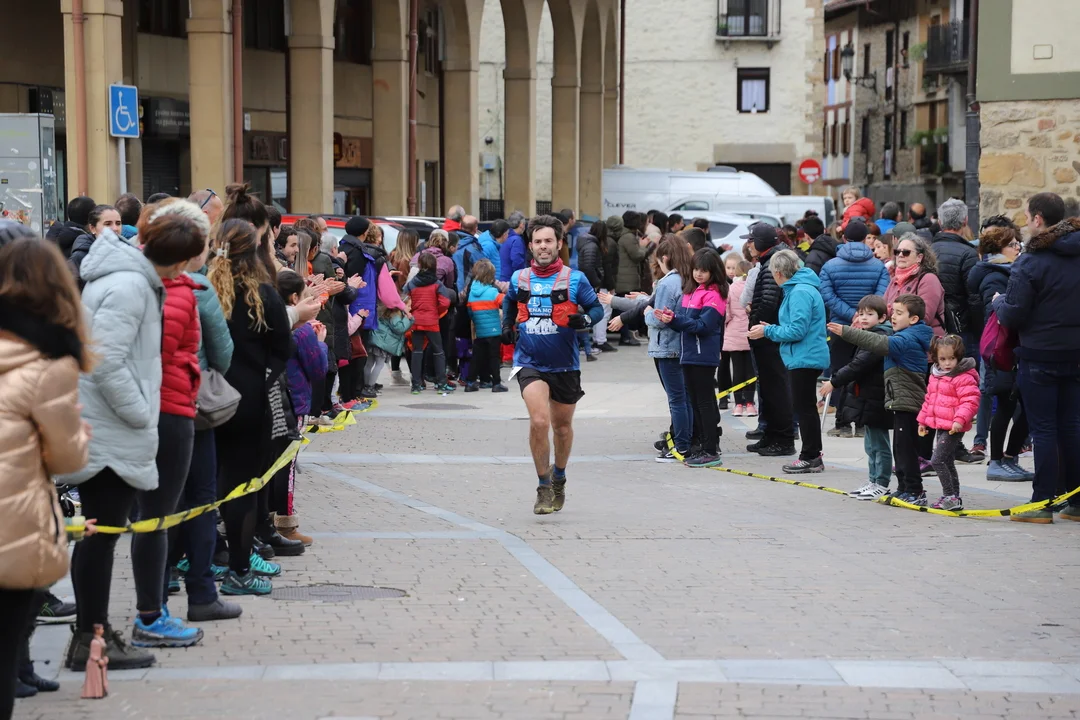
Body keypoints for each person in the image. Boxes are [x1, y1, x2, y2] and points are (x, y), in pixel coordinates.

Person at [61, 217, 170, 670]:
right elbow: (104, 360)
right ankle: (92, 639)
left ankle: (90, 636)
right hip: (110, 429)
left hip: (104, 426)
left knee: (98, 536)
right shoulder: (129, 285)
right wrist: (140, 411)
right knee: (100, 536)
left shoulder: (125, 279)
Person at [0, 231, 93, 717]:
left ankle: (22, 670)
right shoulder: (47, 363)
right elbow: (67, 460)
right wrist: (80, 436)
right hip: (13, 521)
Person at [124, 204, 209, 649]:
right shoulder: (170, 293)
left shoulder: (167, 287)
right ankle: (150, 615)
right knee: (155, 518)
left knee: (151, 518)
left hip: (165, 407)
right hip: (166, 410)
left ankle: (152, 609)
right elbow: (152, 358)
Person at [208, 217, 292, 594]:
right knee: (243, 487)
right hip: (251, 401)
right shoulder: (263, 294)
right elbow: (283, 347)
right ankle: (240, 570)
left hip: (208, 399)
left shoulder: (206, 290)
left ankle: (202, 559)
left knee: (209, 485)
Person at [501, 215, 604, 514]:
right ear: (530, 246)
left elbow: (596, 308)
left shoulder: (575, 279)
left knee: (561, 427)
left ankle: (559, 477)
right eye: (537, 241)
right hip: (529, 361)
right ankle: (543, 486)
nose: (543, 246)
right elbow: (509, 300)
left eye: (548, 241)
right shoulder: (520, 278)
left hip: (564, 365)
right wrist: (507, 323)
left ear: (559, 244)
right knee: (539, 421)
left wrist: (585, 319)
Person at [993, 192, 1080, 523]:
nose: (1027, 222)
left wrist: (997, 302)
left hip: (1040, 354)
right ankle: (1076, 500)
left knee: (1043, 429)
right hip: (1074, 352)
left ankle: (1041, 502)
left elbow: (1013, 313)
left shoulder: (1031, 260)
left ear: (1039, 219)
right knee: (1071, 426)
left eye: (1028, 217)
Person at [174, 214, 242, 621]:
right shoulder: (197, 289)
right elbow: (223, 352)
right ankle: (201, 591)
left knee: (157, 504)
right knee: (200, 497)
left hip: (144, 410)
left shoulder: (126, 283)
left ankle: (156, 595)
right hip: (191, 406)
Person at [830, 294, 935, 506]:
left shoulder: (907, 339)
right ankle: (903, 488)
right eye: (893, 312)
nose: (893, 317)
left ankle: (915, 491)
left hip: (908, 402)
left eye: (899, 313)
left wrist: (847, 332)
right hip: (899, 401)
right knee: (900, 449)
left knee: (906, 450)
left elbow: (879, 343)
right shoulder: (904, 335)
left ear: (913, 319)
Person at [749, 249, 830, 474]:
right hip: (804, 355)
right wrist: (773, 328)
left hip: (805, 356)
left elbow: (797, 330)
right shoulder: (800, 288)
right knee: (805, 407)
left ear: (778, 272)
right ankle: (812, 455)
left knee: (804, 409)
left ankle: (810, 456)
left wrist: (768, 331)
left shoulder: (799, 292)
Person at [967, 221, 1031, 479]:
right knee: (1006, 404)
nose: (1017, 248)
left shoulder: (1005, 271)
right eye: (1012, 244)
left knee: (1021, 406)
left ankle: (1009, 457)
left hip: (1009, 348)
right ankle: (997, 461)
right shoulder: (996, 275)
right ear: (999, 248)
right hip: (1001, 349)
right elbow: (997, 313)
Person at [819, 220, 890, 437]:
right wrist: (864, 315)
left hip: (839, 325)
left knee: (840, 371)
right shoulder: (878, 266)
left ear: (844, 238)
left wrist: (852, 315)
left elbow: (827, 294)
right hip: (871, 327)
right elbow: (882, 294)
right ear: (866, 239)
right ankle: (861, 423)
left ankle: (842, 423)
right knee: (865, 373)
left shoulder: (830, 266)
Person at [821, 296, 894, 499]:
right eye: (861, 314)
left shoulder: (879, 337)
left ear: (882, 318)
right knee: (870, 444)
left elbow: (858, 365)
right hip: (868, 396)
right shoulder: (867, 335)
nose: (864, 318)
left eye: (870, 314)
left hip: (877, 396)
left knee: (879, 443)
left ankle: (882, 482)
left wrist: (834, 382)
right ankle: (873, 479)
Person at [277, 270, 328, 535]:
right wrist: (321, 344)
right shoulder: (303, 331)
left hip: (275, 398)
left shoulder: (274, 323)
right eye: (308, 297)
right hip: (295, 401)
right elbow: (318, 370)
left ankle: (270, 517)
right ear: (295, 298)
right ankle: (286, 521)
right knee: (288, 465)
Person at [744, 224, 796, 457]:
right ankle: (771, 435)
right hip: (767, 335)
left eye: (751, 240)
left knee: (776, 390)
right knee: (768, 389)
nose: (748, 245)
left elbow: (768, 301)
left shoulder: (773, 263)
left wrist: (755, 324)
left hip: (769, 337)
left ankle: (783, 439)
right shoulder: (769, 261)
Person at [916, 335, 980, 510]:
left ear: (958, 357)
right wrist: (922, 421)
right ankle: (954, 497)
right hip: (940, 425)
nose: (947, 363)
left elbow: (970, 401)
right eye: (943, 359)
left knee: (937, 460)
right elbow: (929, 400)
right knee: (947, 461)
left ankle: (949, 495)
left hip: (954, 427)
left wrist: (960, 420)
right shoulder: (935, 375)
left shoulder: (963, 376)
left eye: (951, 358)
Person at [646, 236, 694, 462]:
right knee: (685, 397)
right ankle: (686, 441)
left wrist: (647, 312)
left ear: (665, 258)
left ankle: (681, 446)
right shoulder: (689, 278)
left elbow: (659, 319)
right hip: (684, 344)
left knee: (676, 400)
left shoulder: (667, 283)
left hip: (666, 346)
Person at [403, 252, 457, 393]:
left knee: (417, 351)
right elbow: (445, 302)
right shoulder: (437, 284)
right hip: (432, 321)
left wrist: (412, 310)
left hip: (416, 321)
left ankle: (416, 385)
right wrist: (436, 311)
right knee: (438, 351)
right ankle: (441, 384)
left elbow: (405, 298)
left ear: (419, 265)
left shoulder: (412, 283)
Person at [931, 198, 980, 346]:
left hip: (934, 322)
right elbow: (974, 297)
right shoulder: (969, 253)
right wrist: (979, 330)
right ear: (965, 221)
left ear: (940, 222)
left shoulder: (927, 250)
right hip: (962, 327)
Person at [885, 233, 945, 337]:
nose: (900, 255)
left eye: (906, 252)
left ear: (919, 257)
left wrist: (890, 312)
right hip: (898, 337)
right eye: (897, 252)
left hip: (925, 341)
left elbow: (924, 317)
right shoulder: (895, 279)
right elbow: (882, 307)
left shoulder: (928, 279)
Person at [465, 259, 508, 392]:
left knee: (476, 357)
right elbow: (505, 303)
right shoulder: (493, 292)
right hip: (494, 331)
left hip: (480, 331)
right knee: (494, 358)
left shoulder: (472, 293)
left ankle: (470, 382)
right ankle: (496, 383)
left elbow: (470, 312)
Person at [724, 257, 755, 417]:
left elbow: (726, 314)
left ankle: (738, 405)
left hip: (734, 333)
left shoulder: (731, 288)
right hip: (751, 333)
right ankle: (750, 404)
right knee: (750, 371)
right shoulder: (754, 288)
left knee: (737, 370)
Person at [69, 204, 123, 276]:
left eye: (118, 223)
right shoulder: (80, 257)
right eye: (108, 224)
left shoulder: (128, 253)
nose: (115, 228)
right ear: (92, 228)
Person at [498, 211, 528, 283]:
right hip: (512, 280)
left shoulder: (506, 237)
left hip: (503, 277)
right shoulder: (517, 240)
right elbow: (517, 261)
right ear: (521, 225)